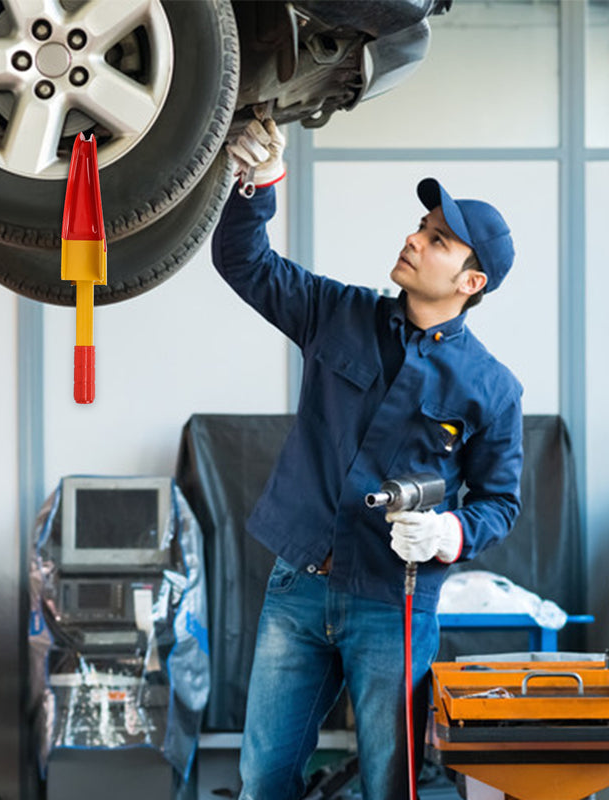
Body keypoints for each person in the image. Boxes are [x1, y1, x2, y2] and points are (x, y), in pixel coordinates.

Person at [211, 118, 524, 800]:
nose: (414, 238)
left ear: (470, 281)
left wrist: (452, 533)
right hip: (297, 588)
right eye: (421, 224)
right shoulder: (337, 313)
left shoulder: (492, 389)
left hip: (394, 603)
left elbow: (501, 501)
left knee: (391, 784)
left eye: (438, 239)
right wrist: (258, 187)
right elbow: (245, 263)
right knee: (263, 777)